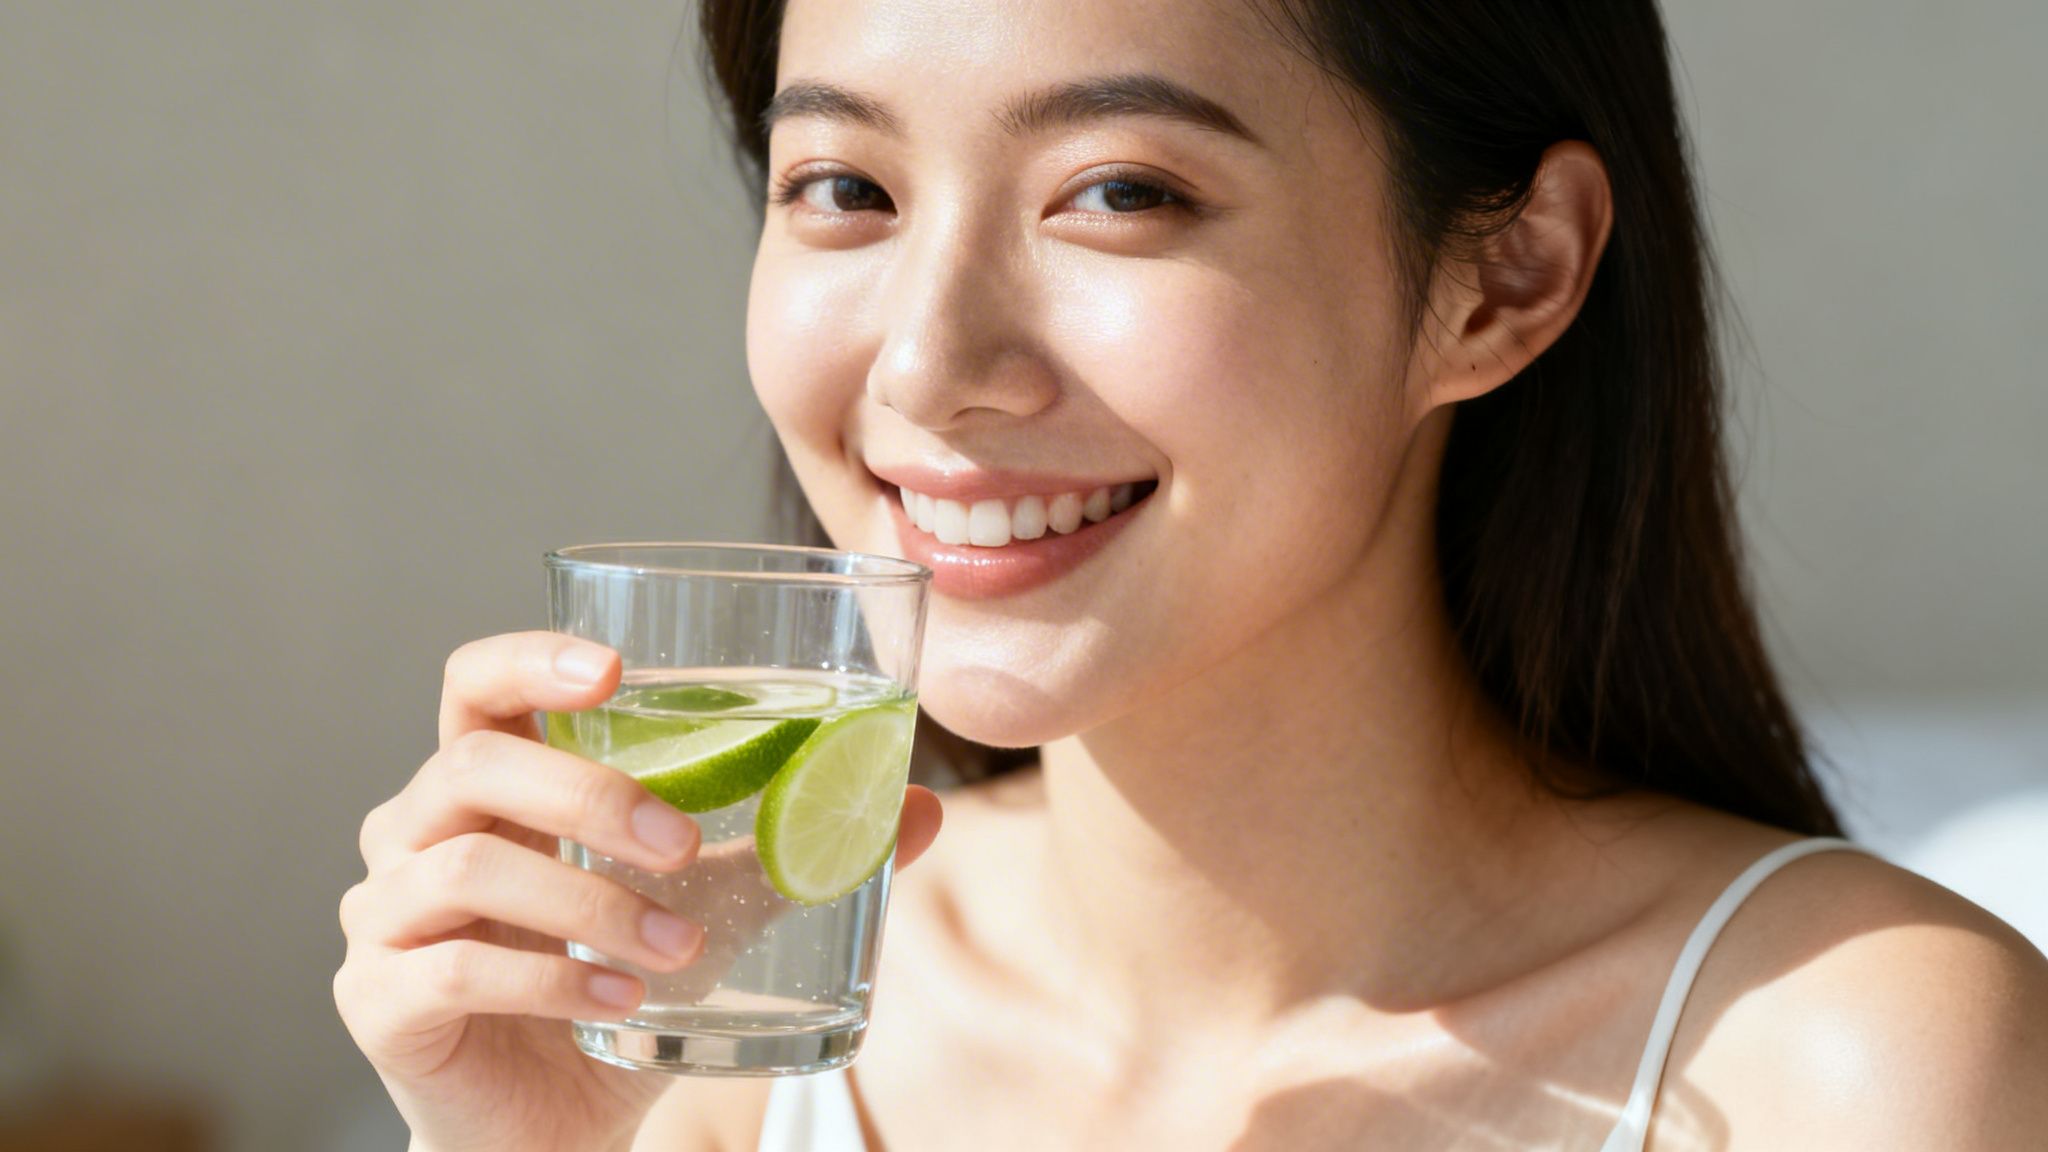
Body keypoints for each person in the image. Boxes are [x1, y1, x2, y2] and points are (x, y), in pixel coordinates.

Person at [334, 1, 2048, 1148]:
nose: (931, 366)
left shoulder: (1849, 1068)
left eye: (1121, 192)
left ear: (1505, 280)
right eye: (844, 186)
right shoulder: (715, 1037)